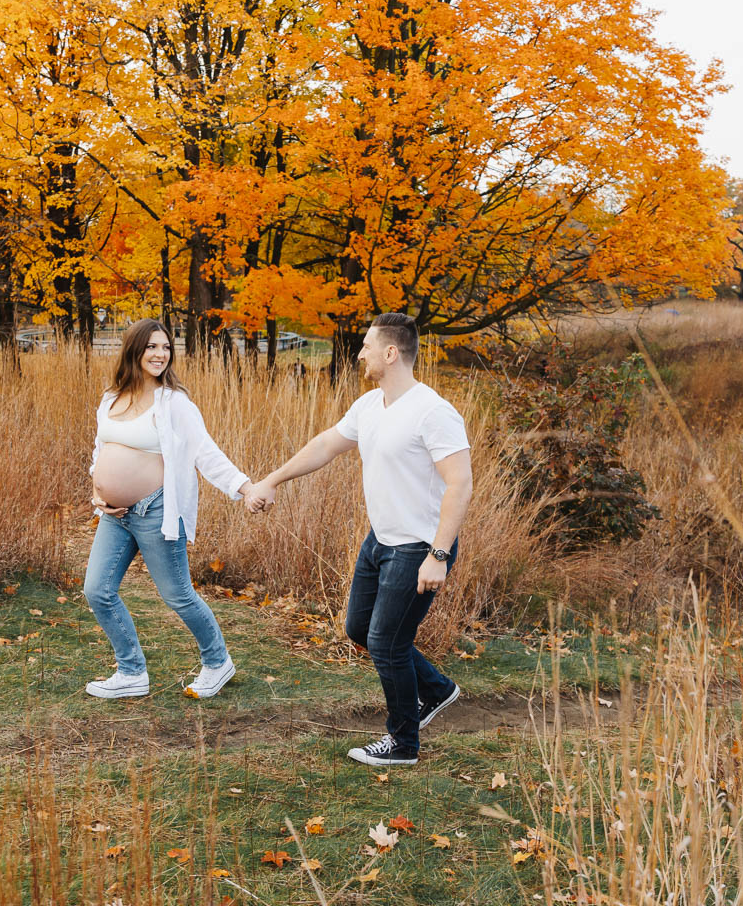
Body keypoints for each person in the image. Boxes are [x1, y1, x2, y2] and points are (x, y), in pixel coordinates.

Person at [245, 313, 472, 766]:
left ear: (391, 353)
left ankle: (403, 744)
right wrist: (272, 479)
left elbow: (460, 484)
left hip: (418, 547)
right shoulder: (370, 405)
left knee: (387, 642)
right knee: (360, 630)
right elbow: (325, 446)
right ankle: (437, 690)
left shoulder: (434, 411)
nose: (360, 353)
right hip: (380, 541)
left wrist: (438, 555)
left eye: (367, 346)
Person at [84, 319, 253, 700]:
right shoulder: (111, 398)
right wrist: (98, 489)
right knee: (98, 590)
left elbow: (205, 452)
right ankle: (131, 672)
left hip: (156, 510)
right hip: (115, 515)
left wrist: (243, 487)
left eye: (165, 348)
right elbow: (100, 450)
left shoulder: (173, 402)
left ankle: (217, 662)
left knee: (177, 594)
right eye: (152, 347)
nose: (161, 354)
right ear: (134, 350)